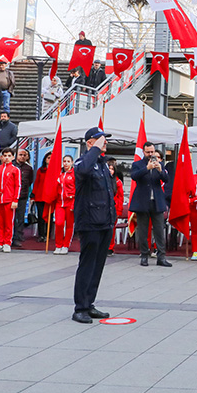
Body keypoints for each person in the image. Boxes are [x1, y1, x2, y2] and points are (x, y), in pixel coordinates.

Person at [72, 127, 116, 324]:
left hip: (104, 222)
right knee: (87, 265)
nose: (104, 142)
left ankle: (89, 303)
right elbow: (82, 170)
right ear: (90, 142)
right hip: (89, 222)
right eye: (100, 140)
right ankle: (80, 307)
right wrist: (94, 150)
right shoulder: (84, 161)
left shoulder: (102, 164)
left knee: (98, 266)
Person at [130, 142, 171, 267]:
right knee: (143, 230)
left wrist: (160, 169)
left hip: (157, 201)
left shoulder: (160, 164)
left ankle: (161, 257)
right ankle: (144, 255)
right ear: (144, 152)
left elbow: (166, 179)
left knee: (159, 230)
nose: (150, 154)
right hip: (143, 201)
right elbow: (134, 177)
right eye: (148, 152)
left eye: (152, 152)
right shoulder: (138, 164)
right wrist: (146, 168)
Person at [12, 148, 35, 249]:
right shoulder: (12, 165)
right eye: (20, 154)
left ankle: (18, 236)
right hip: (11, 195)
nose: (22, 157)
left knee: (20, 217)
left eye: (24, 155)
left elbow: (29, 181)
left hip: (23, 195)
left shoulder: (28, 168)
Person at [54, 154, 75, 254]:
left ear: (72, 163)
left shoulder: (74, 174)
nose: (66, 163)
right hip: (59, 202)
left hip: (70, 202)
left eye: (68, 161)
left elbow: (77, 189)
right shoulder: (59, 173)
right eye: (64, 161)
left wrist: (74, 204)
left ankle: (66, 245)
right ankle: (58, 244)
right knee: (59, 223)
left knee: (69, 225)